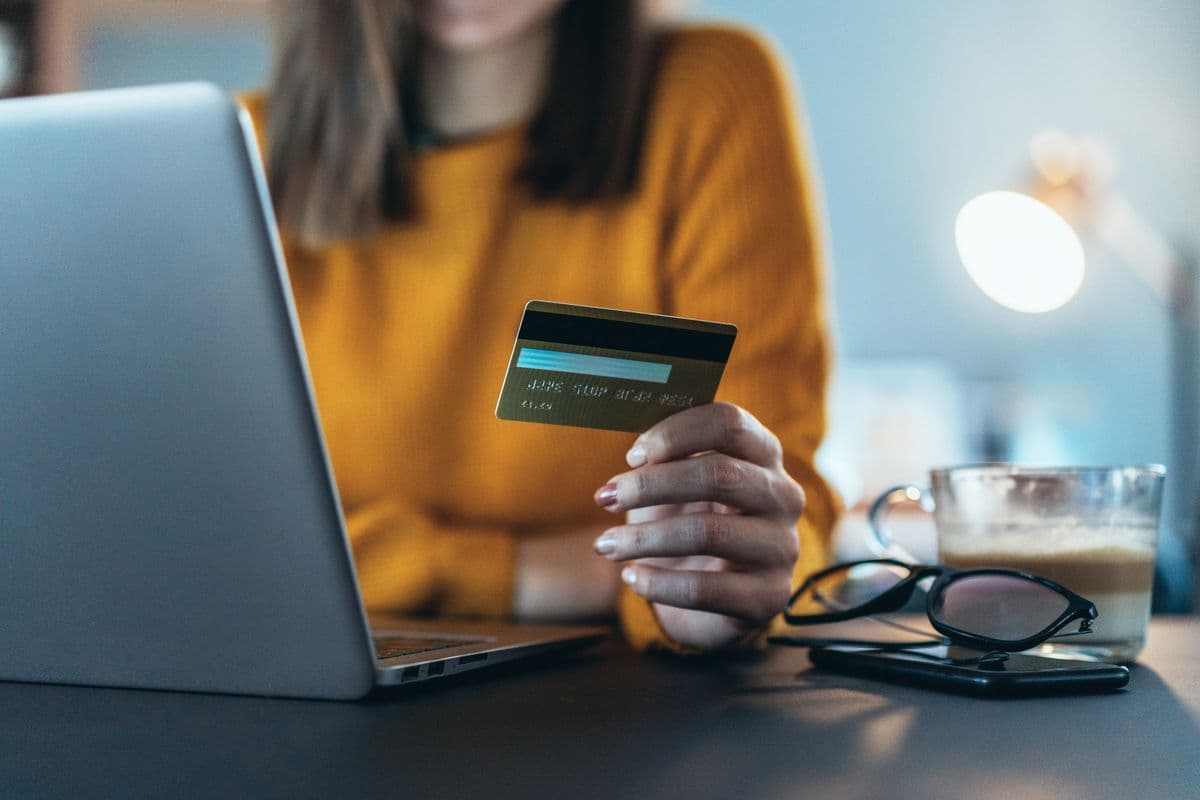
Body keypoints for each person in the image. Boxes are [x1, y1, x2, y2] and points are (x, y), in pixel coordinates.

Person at [242, 0, 837, 652]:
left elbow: (779, 502)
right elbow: (208, 548)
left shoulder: (708, 92)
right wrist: (532, 574)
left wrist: (713, 590)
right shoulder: (238, 155)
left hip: (631, 711)